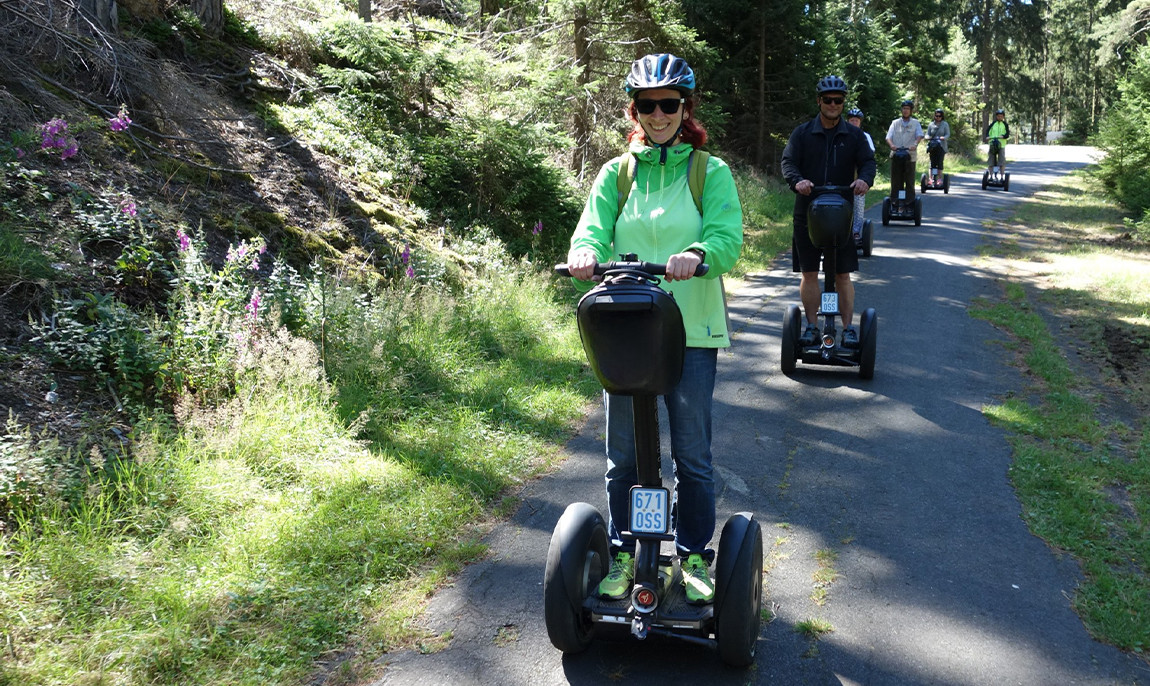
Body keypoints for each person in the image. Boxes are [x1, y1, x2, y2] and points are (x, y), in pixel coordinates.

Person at [567, 53, 744, 606]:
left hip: (690, 332)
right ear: (635, 110)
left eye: (669, 104)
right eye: (649, 105)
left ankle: (692, 554)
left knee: (691, 455)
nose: (659, 114)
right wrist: (584, 251)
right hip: (626, 331)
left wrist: (699, 253)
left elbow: (727, 237)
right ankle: (625, 551)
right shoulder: (616, 174)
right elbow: (592, 229)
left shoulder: (708, 172)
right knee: (623, 455)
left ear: (685, 109)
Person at [780, 76, 876, 348]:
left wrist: (864, 180)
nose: (833, 104)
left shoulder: (854, 136)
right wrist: (797, 181)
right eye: (828, 100)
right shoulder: (802, 133)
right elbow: (788, 162)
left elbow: (868, 162)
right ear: (819, 101)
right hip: (807, 212)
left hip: (842, 215)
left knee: (842, 274)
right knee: (809, 272)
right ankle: (811, 326)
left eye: (838, 100)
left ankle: (847, 329)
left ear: (843, 102)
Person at [885, 100, 924, 206]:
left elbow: (919, 135)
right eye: (904, 108)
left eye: (907, 109)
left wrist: (915, 144)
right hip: (896, 155)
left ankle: (909, 202)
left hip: (909, 156)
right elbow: (888, 137)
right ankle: (894, 202)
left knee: (909, 181)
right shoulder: (895, 123)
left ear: (911, 111)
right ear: (901, 110)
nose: (905, 110)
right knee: (895, 181)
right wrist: (892, 145)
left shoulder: (915, 123)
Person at [846, 107, 875, 239]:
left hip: (858, 176)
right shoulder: (842, 134)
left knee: (858, 203)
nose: (854, 123)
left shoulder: (865, 136)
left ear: (860, 122)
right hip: (844, 175)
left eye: (856, 121)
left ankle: (856, 231)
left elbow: (869, 156)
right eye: (852, 120)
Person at [926, 108, 950, 183]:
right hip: (933, 146)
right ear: (934, 116)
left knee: (940, 162)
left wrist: (944, 137)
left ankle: (939, 178)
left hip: (941, 146)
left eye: (939, 116)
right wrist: (928, 137)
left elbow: (948, 134)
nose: (938, 117)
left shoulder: (945, 124)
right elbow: (927, 134)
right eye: (936, 116)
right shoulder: (931, 124)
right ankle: (931, 178)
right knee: (932, 162)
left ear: (942, 116)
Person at [986, 108, 1010, 174]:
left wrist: (1003, 136)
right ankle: (990, 175)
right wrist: (987, 136)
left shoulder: (1005, 124)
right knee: (991, 161)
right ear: (996, 116)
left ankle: (1002, 176)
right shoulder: (993, 124)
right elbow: (987, 131)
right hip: (992, 144)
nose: (1000, 117)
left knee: (1001, 161)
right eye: (998, 116)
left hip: (1001, 145)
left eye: (1001, 116)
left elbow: (1007, 134)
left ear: (1003, 117)